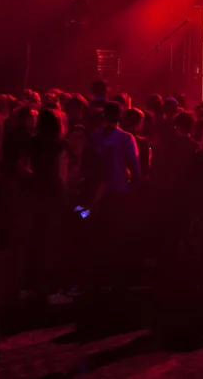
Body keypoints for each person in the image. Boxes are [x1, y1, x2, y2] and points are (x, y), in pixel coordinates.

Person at [86, 101, 140, 289]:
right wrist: (136, 186)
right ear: (121, 115)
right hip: (119, 189)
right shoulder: (126, 138)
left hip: (99, 190)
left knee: (100, 231)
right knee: (118, 232)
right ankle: (116, 275)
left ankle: (99, 273)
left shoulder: (94, 137)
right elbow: (134, 164)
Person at [19, 109, 68, 300]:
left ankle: (28, 284)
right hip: (53, 192)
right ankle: (48, 287)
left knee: (34, 237)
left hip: (35, 191)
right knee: (51, 239)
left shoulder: (32, 141)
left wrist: (34, 177)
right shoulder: (59, 144)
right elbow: (61, 174)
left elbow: (21, 166)